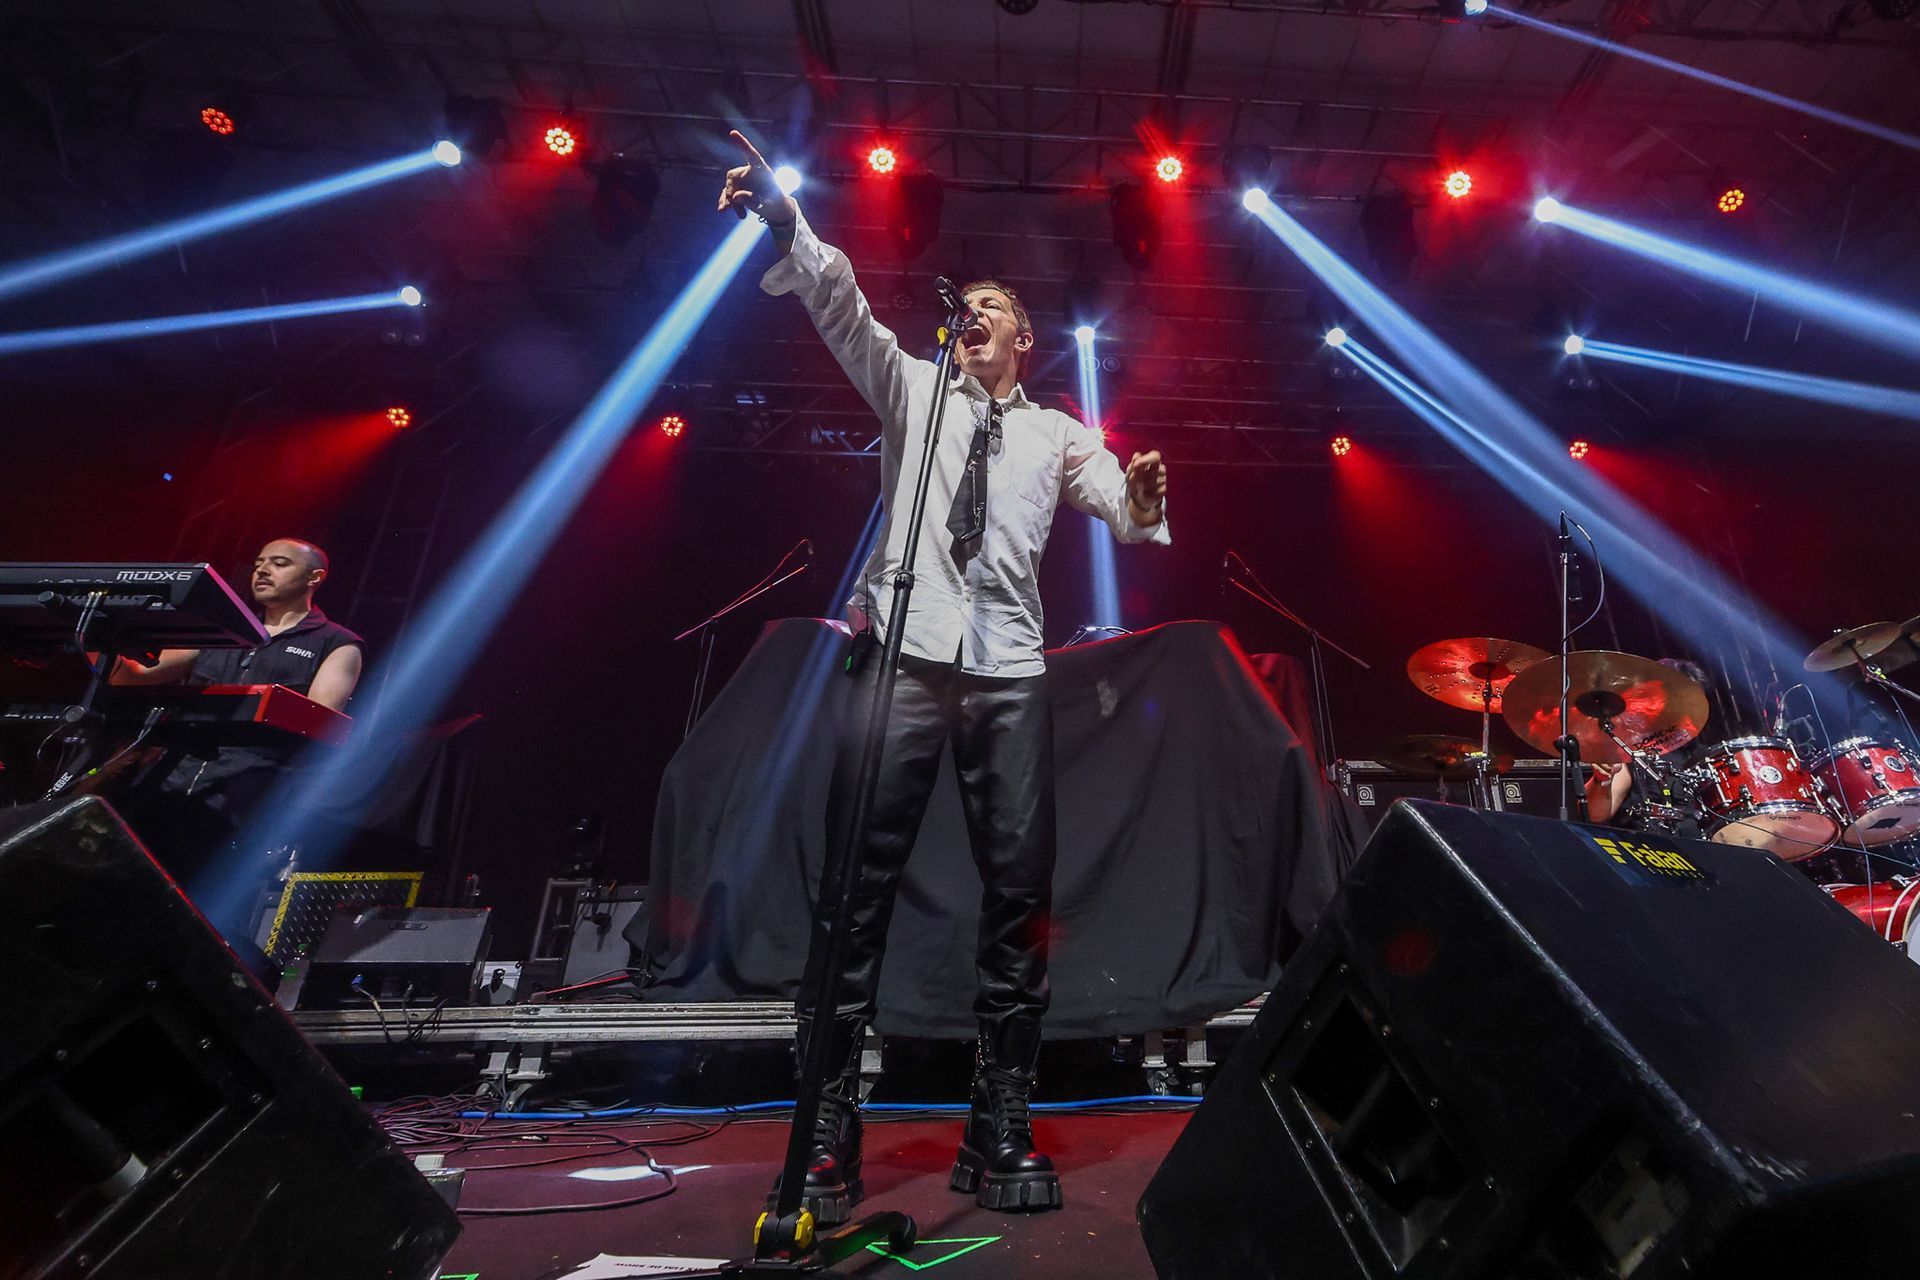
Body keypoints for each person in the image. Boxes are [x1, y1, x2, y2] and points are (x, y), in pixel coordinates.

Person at [720, 131, 1170, 1222]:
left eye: (989, 308)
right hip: (906, 653)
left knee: (1019, 902)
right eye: (960, 304)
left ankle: (999, 1120)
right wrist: (787, 219)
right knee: (854, 895)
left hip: (1009, 670)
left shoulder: (1059, 431)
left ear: (1022, 335)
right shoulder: (913, 388)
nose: (970, 317)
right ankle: (827, 1125)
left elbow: (1125, 504)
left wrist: (1146, 489)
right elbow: (840, 305)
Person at [109, 538, 364, 894]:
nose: (262, 570)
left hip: (247, 791)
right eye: (260, 562)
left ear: (314, 577)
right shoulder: (219, 629)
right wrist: (94, 637)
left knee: (203, 894)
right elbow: (131, 676)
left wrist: (257, 702)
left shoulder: (337, 644)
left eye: (279, 563)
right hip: (171, 778)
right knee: (132, 885)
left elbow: (318, 719)